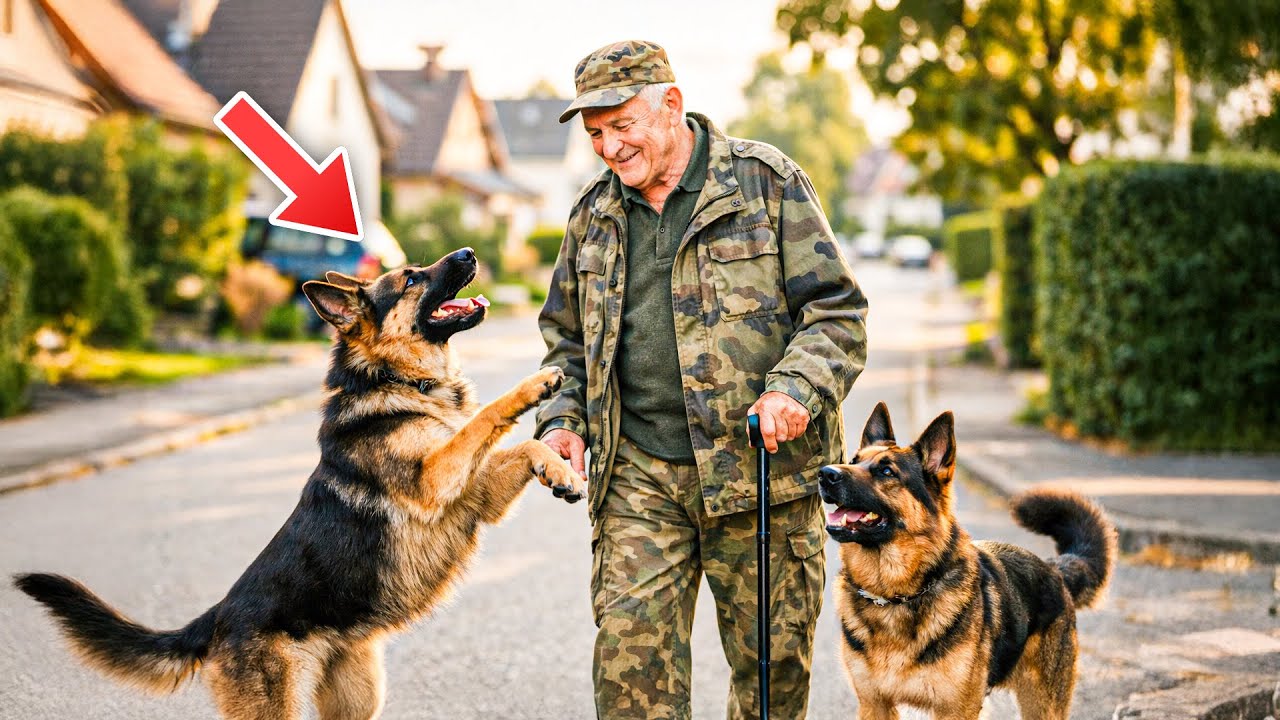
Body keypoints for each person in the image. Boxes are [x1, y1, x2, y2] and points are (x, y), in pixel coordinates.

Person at [537, 39, 869, 720]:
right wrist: (562, 421)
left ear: (671, 107)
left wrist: (794, 388)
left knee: (770, 681)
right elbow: (566, 344)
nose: (609, 149)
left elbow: (837, 313)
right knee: (632, 677)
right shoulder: (591, 218)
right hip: (638, 477)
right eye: (596, 134)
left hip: (761, 478)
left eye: (622, 126)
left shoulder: (765, 184)